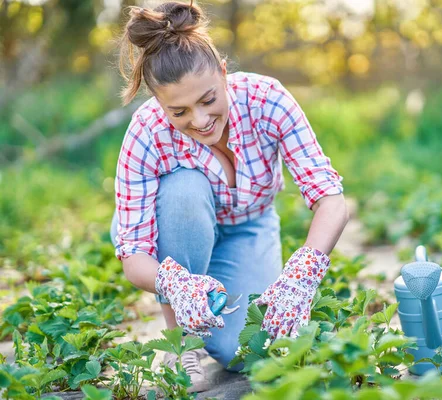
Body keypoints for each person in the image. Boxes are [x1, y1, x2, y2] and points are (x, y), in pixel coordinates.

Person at [111, 0, 349, 393]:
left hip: (247, 226)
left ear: (223, 73)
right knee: (183, 189)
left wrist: (303, 273)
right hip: (171, 228)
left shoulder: (266, 99)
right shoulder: (146, 133)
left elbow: (330, 198)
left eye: (207, 100)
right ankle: (181, 342)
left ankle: (211, 324)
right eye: (179, 111)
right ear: (158, 103)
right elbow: (135, 256)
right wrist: (178, 285)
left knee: (243, 352)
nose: (200, 121)